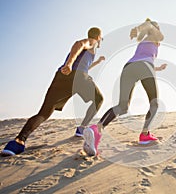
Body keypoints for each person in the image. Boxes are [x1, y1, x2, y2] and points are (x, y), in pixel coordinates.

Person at [1, 27, 105, 156]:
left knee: (44, 112)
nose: (101, 40)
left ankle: (17, 142)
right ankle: (82, 128)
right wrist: (70, 63)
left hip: (62, 77)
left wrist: (97, 62)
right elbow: (80, 44)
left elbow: (85, 66)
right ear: (98, 37)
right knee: (99, 99)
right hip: (78, 76)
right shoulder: (92, 42)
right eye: (101, 37)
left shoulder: (89, 54)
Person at [82, 19, 167, 156]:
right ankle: (145, 135)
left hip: (129, 68)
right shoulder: (154, 37)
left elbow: (142, 60)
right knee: (154, 103)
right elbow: (155, 39)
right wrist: (141, 27)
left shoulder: (143, 41)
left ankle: (96, 129)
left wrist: (158, 68)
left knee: (123, 106)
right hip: (144, 67)